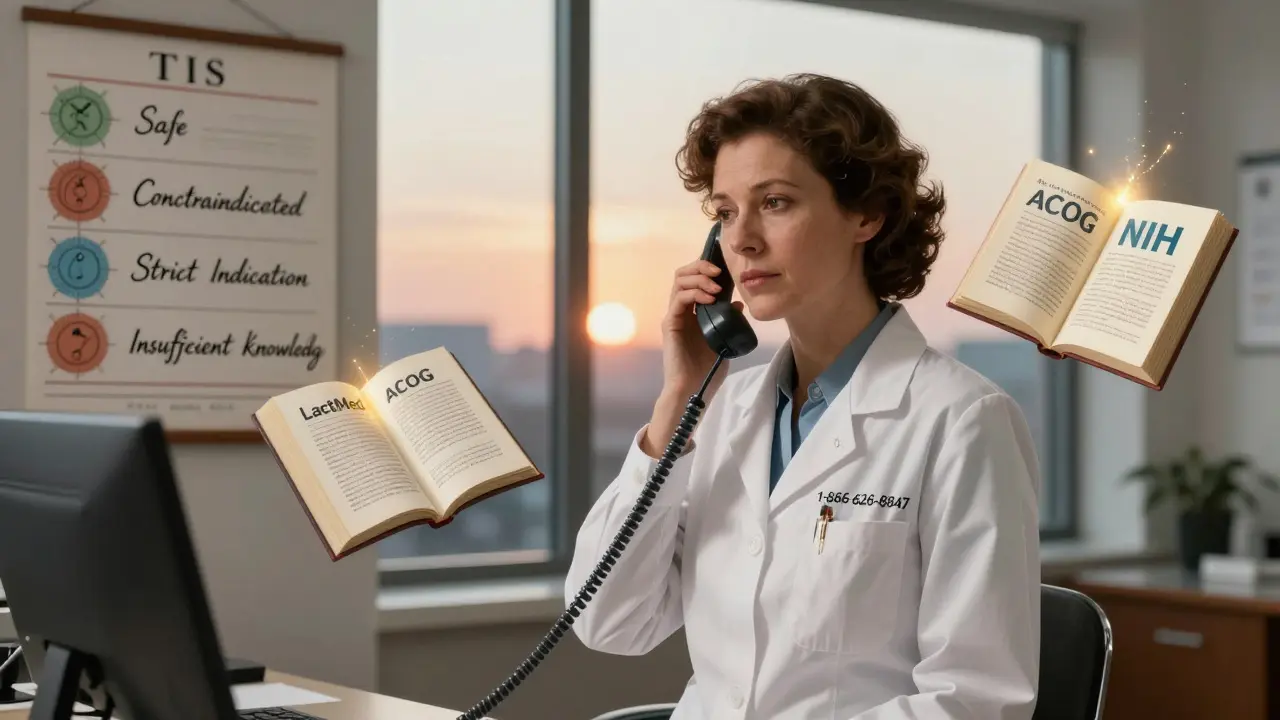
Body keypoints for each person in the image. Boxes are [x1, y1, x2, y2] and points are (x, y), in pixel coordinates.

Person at [565, 73, 1041, 719]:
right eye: (725, 213)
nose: (741, 240)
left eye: (777, 202)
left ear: (866, 215)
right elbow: (610, 623)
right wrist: (678, 397)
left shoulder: (961, 420)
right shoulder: (719, 412)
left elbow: (977, 701)